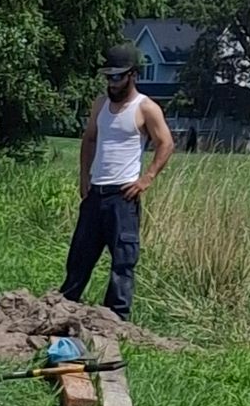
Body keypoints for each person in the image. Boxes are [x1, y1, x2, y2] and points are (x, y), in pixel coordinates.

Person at [61, 41, 173, 318]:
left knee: (123, 260)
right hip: (95, 193)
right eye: (108, 77)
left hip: (123, 197)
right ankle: (64, 306)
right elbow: (89, 139)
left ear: (133, 75)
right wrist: (84, 175)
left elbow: (166, 143)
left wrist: (146, 179)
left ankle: (115, 318)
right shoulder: (100, 105)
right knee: (79, 255)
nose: (112, 83)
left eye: (117, 77)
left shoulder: (145, 108)